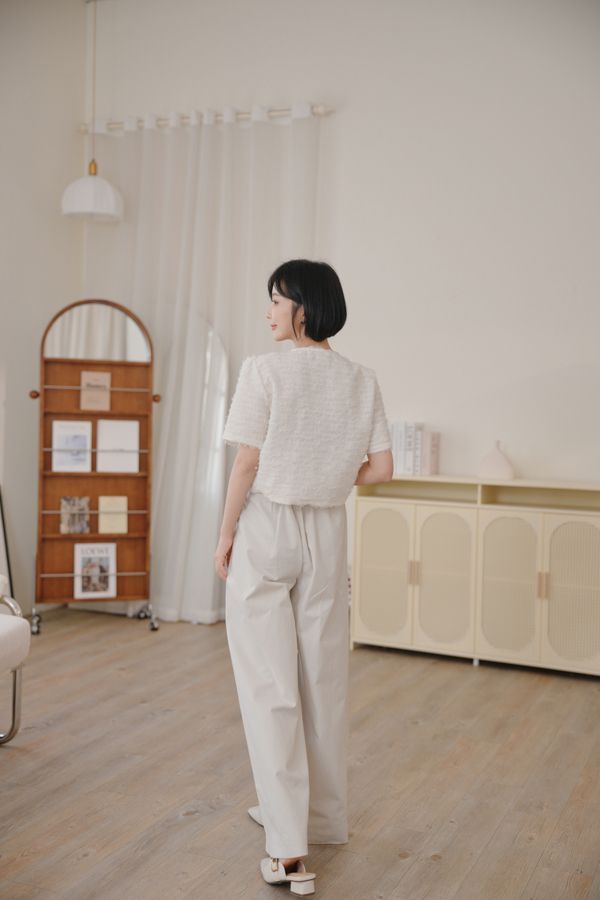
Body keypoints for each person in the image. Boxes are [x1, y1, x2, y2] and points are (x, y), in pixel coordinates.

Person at [214, 258, 393, 894]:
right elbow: (381, 469)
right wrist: (329, 475)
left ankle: (288, 851)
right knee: (323, 680)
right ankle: (322, 820)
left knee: (270, 687)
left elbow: (247, 463)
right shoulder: (361, 379)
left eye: (275, 300)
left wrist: (226, 534)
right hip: (327, 531)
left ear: (303, 309)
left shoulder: (263, 371)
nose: (268, 312)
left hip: (268, 526)